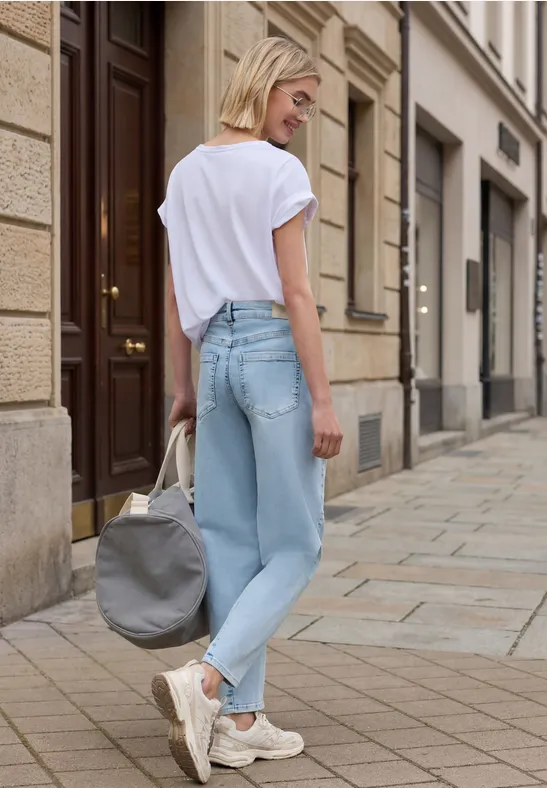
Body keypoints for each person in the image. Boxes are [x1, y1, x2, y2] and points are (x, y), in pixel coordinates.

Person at [152, 36, 343, 784]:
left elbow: (174, 295)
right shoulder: (276, 170)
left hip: (216, 355)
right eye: (297, 99)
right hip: (270, 351)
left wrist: (183, 386)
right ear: (263, 85)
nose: (301, 116)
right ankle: (205, 683)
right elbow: (296, 293)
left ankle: (238, 724)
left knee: (231, 540)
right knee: (295, 546)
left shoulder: (186, 172)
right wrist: (322, 398)